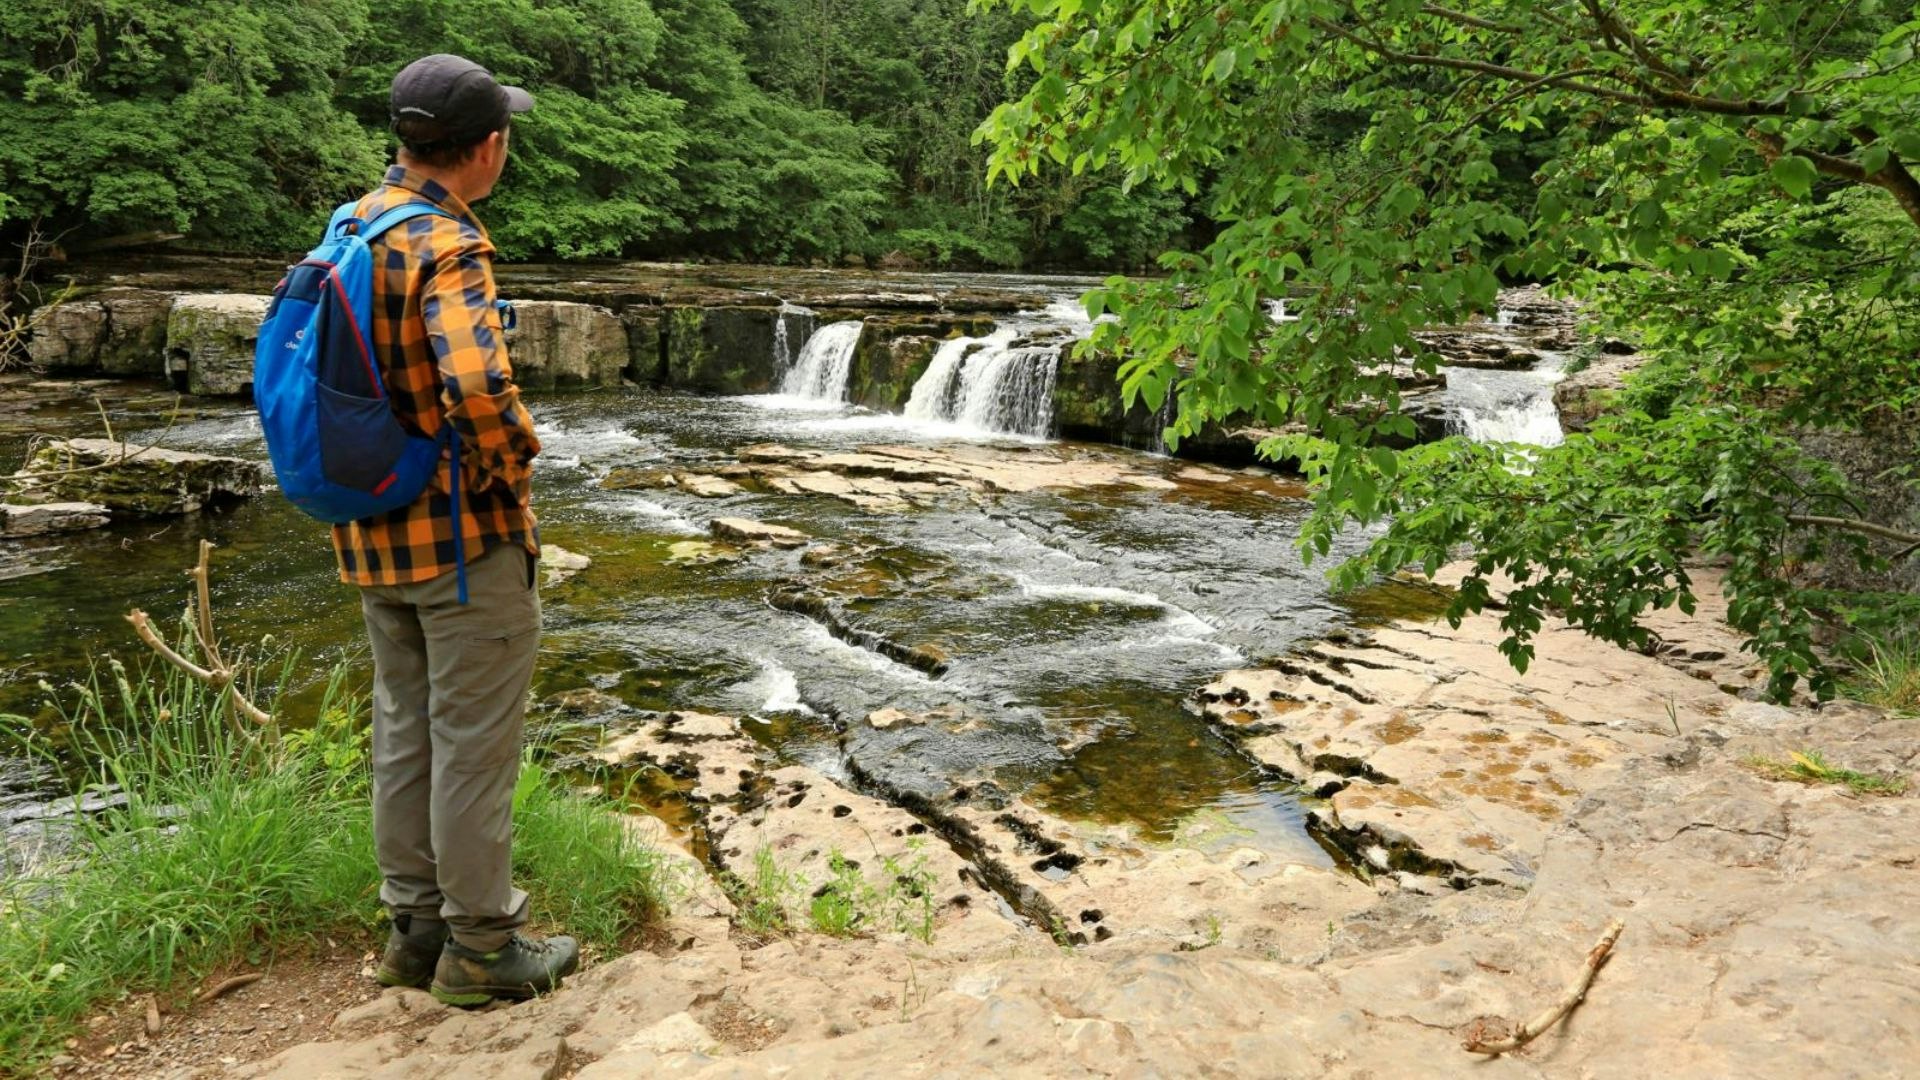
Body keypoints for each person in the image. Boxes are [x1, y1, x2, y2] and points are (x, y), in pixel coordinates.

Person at [336, 53, 577, 1007]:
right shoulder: (448, 245)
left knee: (404, 730)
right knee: (474, 743)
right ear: (485, 148)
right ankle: (481, 948)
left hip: (368, 528)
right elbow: (476, 380)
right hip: (461, 543)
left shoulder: (352, 223)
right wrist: (515, 466)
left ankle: (414, 930)